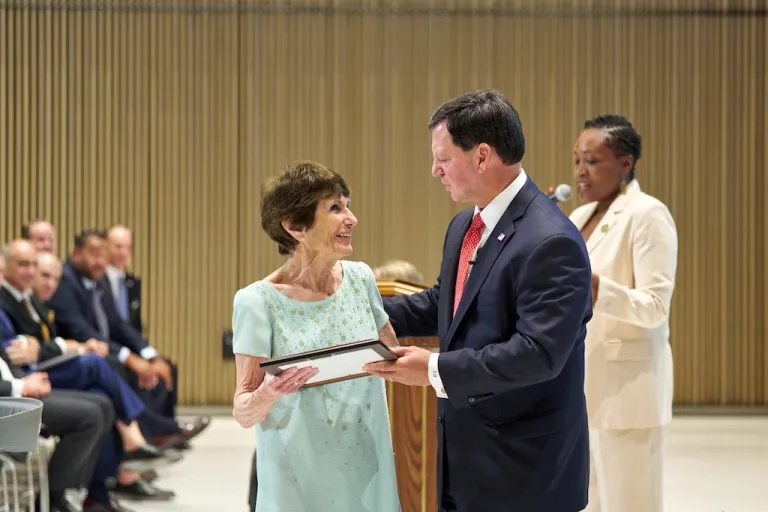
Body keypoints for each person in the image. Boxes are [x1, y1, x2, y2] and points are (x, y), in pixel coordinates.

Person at [365, 90, 593, 512]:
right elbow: (445, 304)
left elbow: (538, 354)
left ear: (483, 156)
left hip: (524, 474)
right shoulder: (464, 225)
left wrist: (434, 369)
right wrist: (356, 307)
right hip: (463, 461)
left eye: (444, 158)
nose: (435, 171)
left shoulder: (550, 241)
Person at [231, 161, 401, 512]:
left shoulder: (361, 280)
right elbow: (244, 411)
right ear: (295, 227)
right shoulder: (256, 302)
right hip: (296, 478)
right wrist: (266, 394)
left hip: (367, 469)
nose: (351, 218)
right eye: (335, 208)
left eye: (348, 204)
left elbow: (394, 357)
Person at [569, 115, 677, 512]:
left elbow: (656, 307)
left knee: (630, 504)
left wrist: (601, 290)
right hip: (582, 388)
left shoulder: (648, 214)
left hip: (628, 391)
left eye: (592, 161)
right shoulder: (580, 218)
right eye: (577, 160)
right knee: (590, 502)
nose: (581, 171)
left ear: (626, 164)